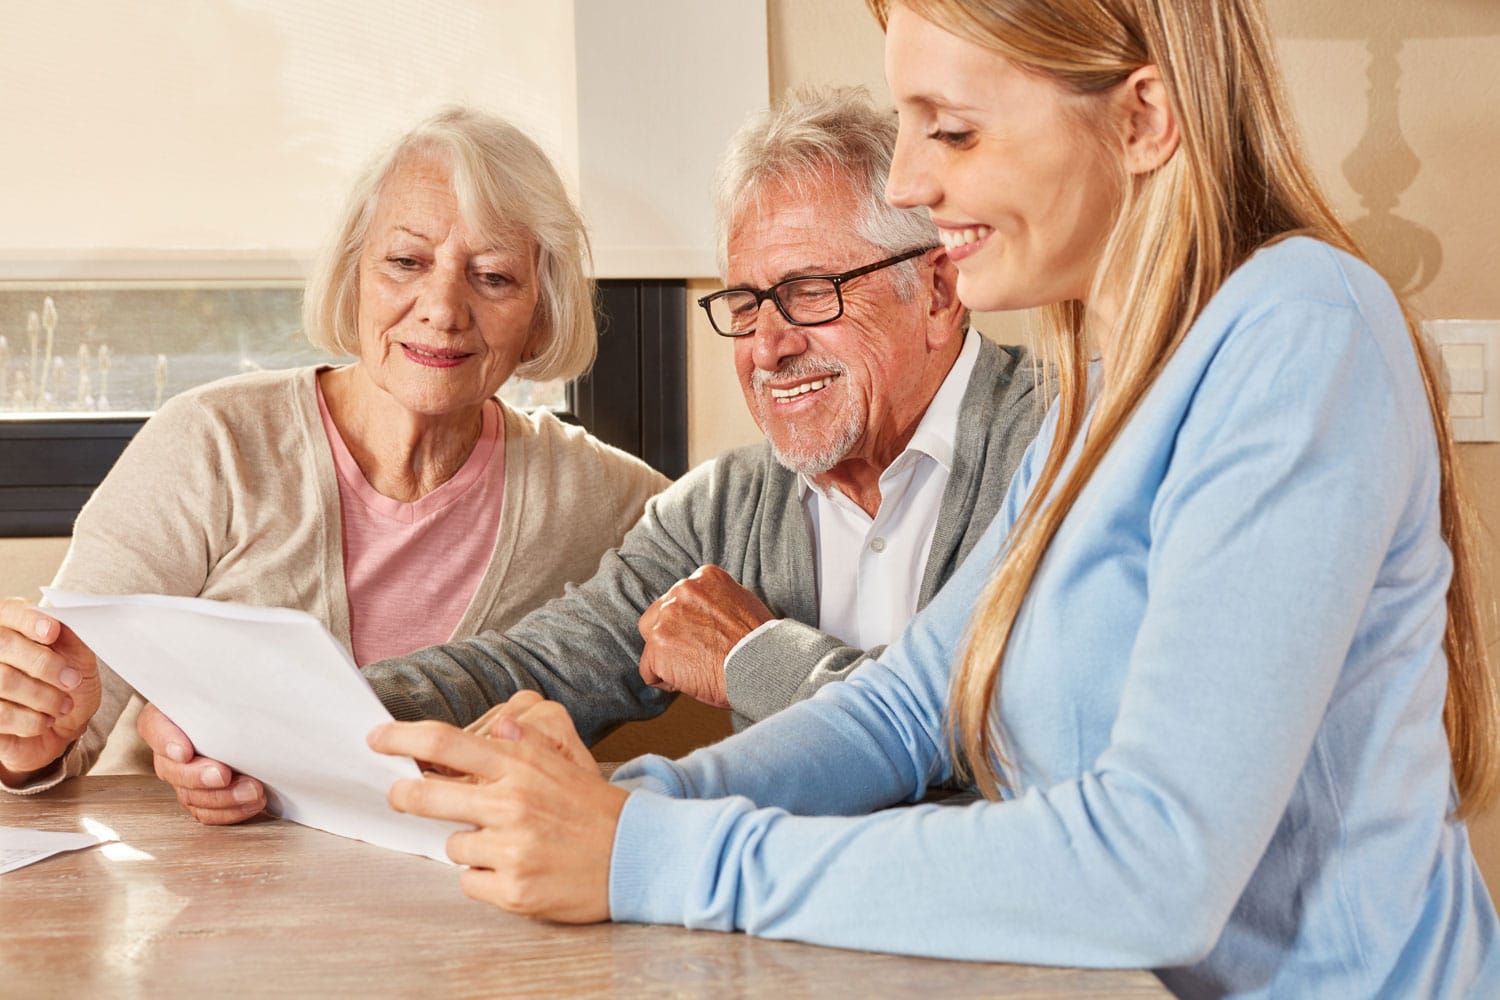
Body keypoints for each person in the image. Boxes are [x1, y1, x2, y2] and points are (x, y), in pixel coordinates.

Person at [368, 2, 1500, 997]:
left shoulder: (1299, 330)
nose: (910, 180)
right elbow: (911, 708)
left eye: (951, 129)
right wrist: (629, 798)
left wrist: (653, 850)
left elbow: (1157, 864)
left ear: (1144, 118)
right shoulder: (1099, 398)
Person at [0, 107, 668, 820]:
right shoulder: (211, 443)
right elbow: (61, 718)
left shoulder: (606, 498)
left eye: (494, 277)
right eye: (406, 262)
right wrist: (30, 733)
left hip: (467, 899)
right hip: (194, 893)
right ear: (353, 278)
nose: (442, 308)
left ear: (543, 310)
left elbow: (749, 568)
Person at [357, 87, 1041, 743]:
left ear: (938, 293)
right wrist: (296, 720)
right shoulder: (724, 508)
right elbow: (535, 669)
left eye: (809, 291)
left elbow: (1022, 735)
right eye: (746, 303)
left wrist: (757, 657)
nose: (768, 348)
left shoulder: (1077, 443)